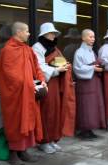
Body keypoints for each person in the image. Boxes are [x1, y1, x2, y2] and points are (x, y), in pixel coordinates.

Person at [0, 22, 47, 165]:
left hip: (28, 92)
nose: (29, 33)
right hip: (14, 94)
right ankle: (13, 153)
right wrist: (29, 84)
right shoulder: (8, 50)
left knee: (29, 119)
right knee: (15, 122)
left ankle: (23, 150)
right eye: (26, 31)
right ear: (18, 32)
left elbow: (36, 67)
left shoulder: (27, 49)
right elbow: (10, 75)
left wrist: (42, 80)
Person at [32, 22, 76, 154]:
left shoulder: (55, 48)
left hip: (56, 83)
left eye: (55, 34)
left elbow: (60, 60)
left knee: (56, 111)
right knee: (46, 112)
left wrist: (65, 66)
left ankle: (53, 139)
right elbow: (38, 67)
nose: (53, 36)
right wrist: (57, 70)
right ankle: (43, 141)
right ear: (44, 34)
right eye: (51, 33)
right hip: (46, 83)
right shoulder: (37, 47)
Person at [73, 29, 106, 140]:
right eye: (90, 37)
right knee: (85, 106)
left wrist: (97, 67)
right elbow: (77, 68)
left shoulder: (91, 51)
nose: (93, 39)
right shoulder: (79, 52)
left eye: (93, 37)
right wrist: (93, 68)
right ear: (83, 38)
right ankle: (83, 130)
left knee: (93, 106)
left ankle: (90, 128)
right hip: (85, 83)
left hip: (93, 81)